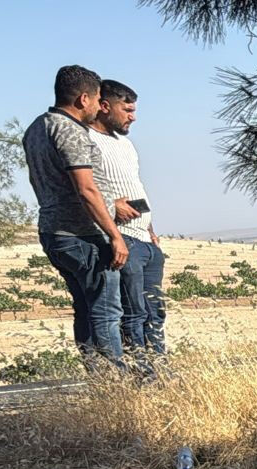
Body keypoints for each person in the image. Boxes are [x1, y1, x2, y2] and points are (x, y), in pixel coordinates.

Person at [22, 65, 129, 370]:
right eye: (97, 100)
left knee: (85, 307)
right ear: (84, 99)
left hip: (53, 231)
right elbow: (85, 189)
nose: (99, 107)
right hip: (82, 235)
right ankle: (115, 384)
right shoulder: (69, 130)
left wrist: (111, 202)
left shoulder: (36, 128)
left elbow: (45, 180)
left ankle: (97, 378)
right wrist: (114, 234)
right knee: (107, 310)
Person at [89, 79, 165, 363]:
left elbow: (135, 187)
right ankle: (141, 373)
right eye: (127, 110)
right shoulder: (86, 139)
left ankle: (159, 367)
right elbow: (85, 189)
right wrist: (111, 208)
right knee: (133, 313)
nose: (132, 116)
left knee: (155, 311)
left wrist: (151, 230)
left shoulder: (127, 144)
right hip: (121, 237)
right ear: (105, 106)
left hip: (145, 239)